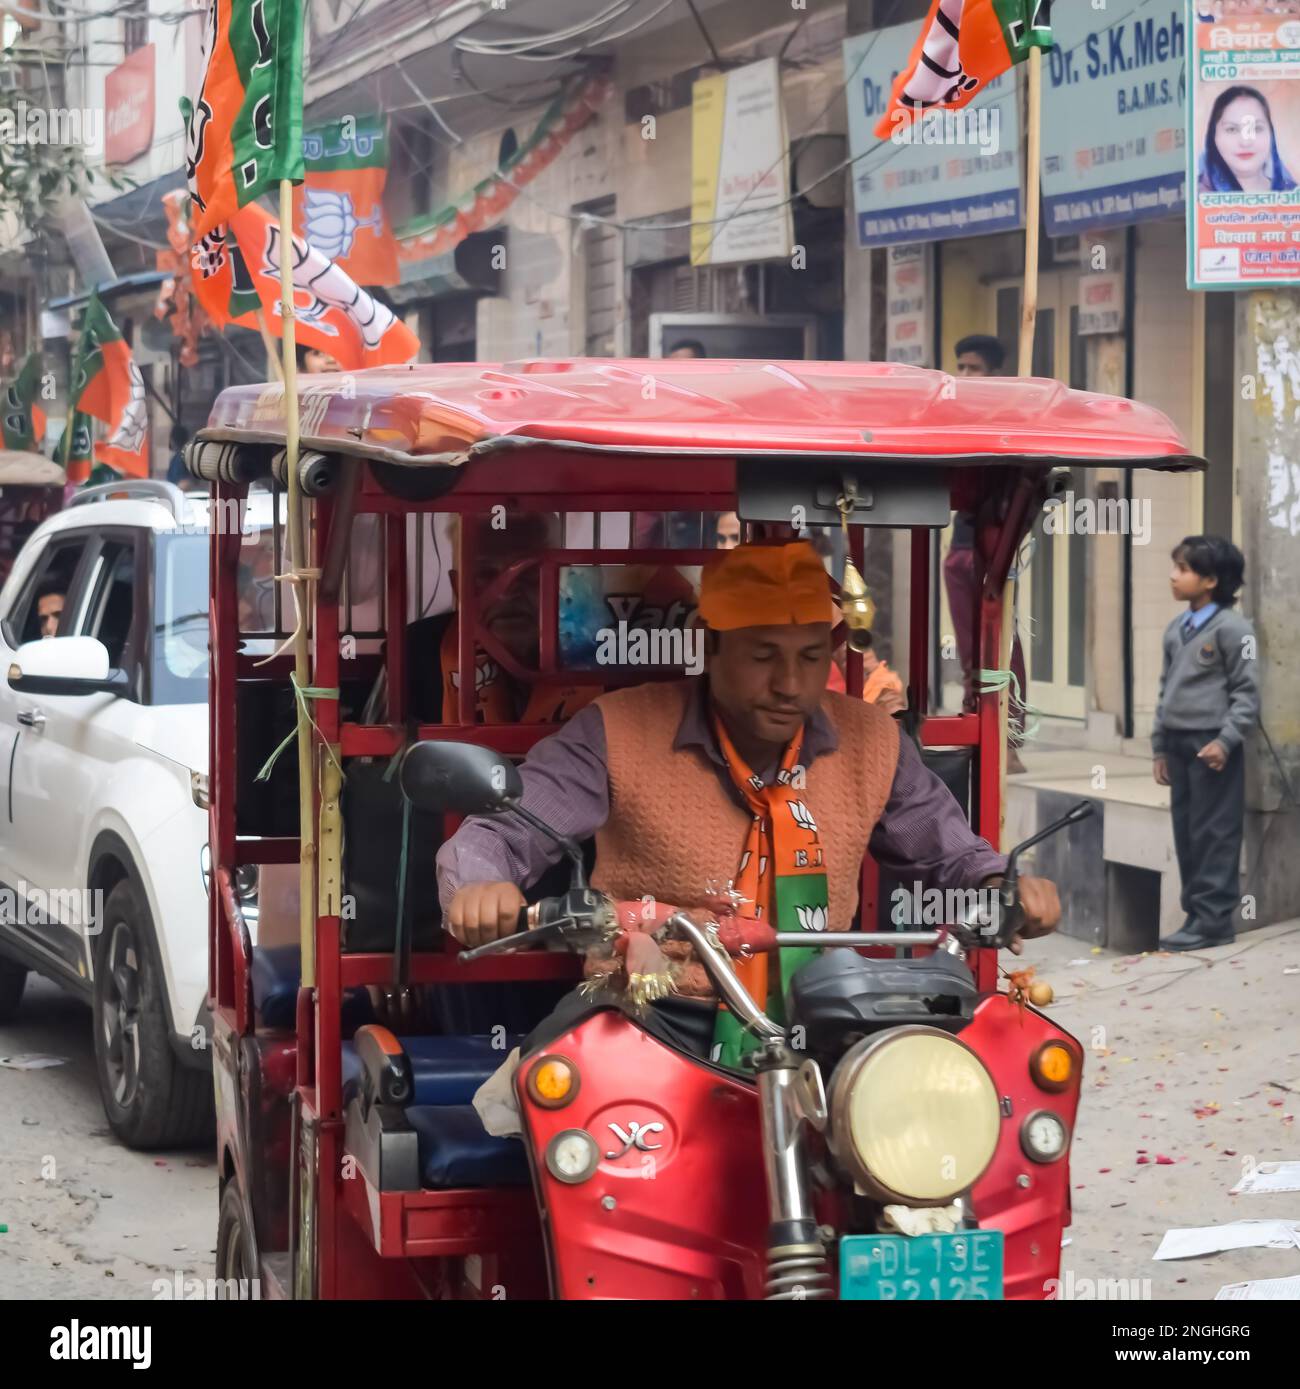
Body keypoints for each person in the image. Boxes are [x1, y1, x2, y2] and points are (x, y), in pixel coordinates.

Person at [437, 541, 1062, 1069]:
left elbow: (950, 849)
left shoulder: (873, 740)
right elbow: (504, 830)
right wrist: (480, 886)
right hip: (651, 1018)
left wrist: (1000, 882)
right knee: (560, 1112)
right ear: (710, 647)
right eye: (763, 657)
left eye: (811, 657)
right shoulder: (616, 731)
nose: (791, 684)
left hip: (823, 1018)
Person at [1152, 536, 1259, 952]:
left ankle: (1215, 920)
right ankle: (1196, 914)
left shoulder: (1234, 629)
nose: (1173, 576)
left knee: (1216, 832)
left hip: (1212, 745)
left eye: (1183, 569)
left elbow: (1247, 695)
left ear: (1211, 580)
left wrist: (1227, 740)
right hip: (1178, 745)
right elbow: (1164, 691)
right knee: (1188, 832)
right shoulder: (1176, 629)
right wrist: (1160, 747)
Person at [1198, 86, 1297, 194]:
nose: (1245, 142)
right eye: (1232, 129)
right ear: (1213, 137)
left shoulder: (1292, 193)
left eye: (1256, 128)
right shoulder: (1195, 195)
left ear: (1271, 135)